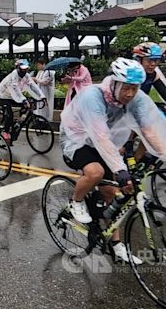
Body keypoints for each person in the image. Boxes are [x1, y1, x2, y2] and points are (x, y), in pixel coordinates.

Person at [61, 57, 166, 263]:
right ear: (115, 82)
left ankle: (117, 246)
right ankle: (76, 202)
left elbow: (149, 129)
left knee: (111, 194)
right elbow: (100, 136)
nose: (130, 94)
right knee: (95, 172)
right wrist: (119, 168)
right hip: (77, 139)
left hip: (103, 143)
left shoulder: (134, 99)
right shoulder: (94, 96)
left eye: (134, 89)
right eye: (126, 88)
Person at [0, 59, 46, 142]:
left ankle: (17, 123)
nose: (24, 71)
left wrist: (42, 96)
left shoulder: (26, 75)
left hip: (12, 96)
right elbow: (16, 90)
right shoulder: (13, 76)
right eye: (22, 69)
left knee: (26, 106)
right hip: (3, 95)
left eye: (26, 69)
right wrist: (24, 100)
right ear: (17, 68)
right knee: (10, 114)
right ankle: (6, 131)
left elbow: (33, 86)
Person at [32, 57, 55, 121]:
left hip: (46, 92)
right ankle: (39, 119)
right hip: (40, 92)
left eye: (39, 65)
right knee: (39, 106)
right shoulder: (40, 72)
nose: (38, 67)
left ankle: (45, 120)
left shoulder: (49, 72)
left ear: (43, 64)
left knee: (45, 107)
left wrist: (36, 79)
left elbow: (45, 82)